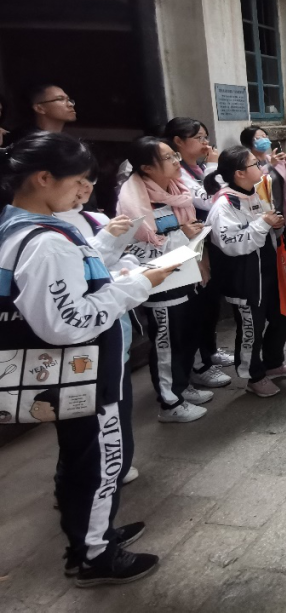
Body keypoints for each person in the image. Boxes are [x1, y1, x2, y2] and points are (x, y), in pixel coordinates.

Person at [0, 131, 179, 586]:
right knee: (101, 461)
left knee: (83, 458)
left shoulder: (23, 225)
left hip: (76, 372)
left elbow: (70, 284)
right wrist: (139, 284)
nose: (86, 191)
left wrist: (111, 268)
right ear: (43, 178)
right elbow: (69, 322)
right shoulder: (45, 240)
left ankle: (92, 534)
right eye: (79, 181)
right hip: (84, 371)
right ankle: (93, 555)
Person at [55, 167, 142, 488]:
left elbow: (118, 259)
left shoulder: (95, 218)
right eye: (76, 180)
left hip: (114, 325)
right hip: (80, 338)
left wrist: (128, 268)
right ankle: (85, 486)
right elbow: (75, 276)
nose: (84, 188)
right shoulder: (46, 232)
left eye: (89, 180)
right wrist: (106, 241)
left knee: (118, 403)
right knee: (83, 419)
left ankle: (115, 467)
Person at [118, 138, 211, 422]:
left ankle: (182, 386)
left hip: (185, 274)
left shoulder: (176, 189)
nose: (176, 162)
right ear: (147, 167)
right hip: (161, 283)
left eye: (174, 155)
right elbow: (138, 248)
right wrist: (181, 233)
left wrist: (189, 236)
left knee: (185, 337)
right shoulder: (134, 201)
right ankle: (170, 404)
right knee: (166, 344)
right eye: (168, 158)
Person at [206, 147, 286, 397]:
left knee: (283, 316)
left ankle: (273, 363)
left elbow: (264, 223)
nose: (260, 167)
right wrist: (264, 223)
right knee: (251, 328)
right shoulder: (224, 204)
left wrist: (274, 223)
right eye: (254, 164)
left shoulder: (255, 193)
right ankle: (253, 376)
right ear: (239, 173)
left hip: (268, 270)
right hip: (245, 278)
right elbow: (231, 244)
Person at [164, 117, 233, 390]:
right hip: (189, 246)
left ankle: (209, 351)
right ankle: (198, 366)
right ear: (178, 141)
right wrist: (214, 167)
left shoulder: (199, 167)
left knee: (210, 303)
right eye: (199, 138)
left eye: (206, 137)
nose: (205, 143)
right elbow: (207, 198)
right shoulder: (179, 173)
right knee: (196, 308)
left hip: (207, 243)